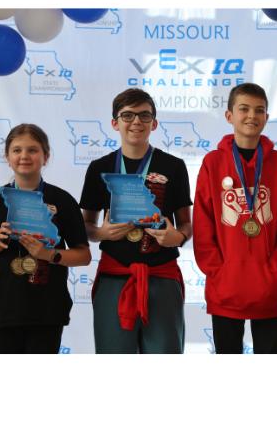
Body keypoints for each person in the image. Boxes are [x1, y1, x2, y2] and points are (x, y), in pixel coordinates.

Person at [80, 88, 193, 354]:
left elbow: (186, 224)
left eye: (144, 115)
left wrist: (177, 237)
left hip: (162, 276)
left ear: (154, 123)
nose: (136, 122)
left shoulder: (174, 166)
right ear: (114, 123)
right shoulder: (99, 167)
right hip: (114, 276)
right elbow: (85, 227)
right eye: (127, 115)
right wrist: (103, 233)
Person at [0, 124, 91, 354]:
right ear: (7, 157)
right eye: (17, 150)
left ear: (45, 157)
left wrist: (49, 254)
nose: (24, 156)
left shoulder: (62, 201)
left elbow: (84, 256)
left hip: (49, 309)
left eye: (32, 150)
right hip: (4, 308)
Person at [193, 83, 277, 354]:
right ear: (229, 116)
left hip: (269, 288)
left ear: (266, 117)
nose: (252, 115)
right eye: (244, 109)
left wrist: (276, 273)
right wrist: (218, 271)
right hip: (225, 288)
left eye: (259, 110)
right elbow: (203, 222)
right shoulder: (213, 163)